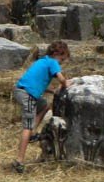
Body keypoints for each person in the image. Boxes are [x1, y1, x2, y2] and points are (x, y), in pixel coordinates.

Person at [12, 40, 71, 173]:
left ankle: (33, 132)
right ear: (56, 53)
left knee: (44, 104)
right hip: (27, 94)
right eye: (62, 58)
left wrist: (53, 90)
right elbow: (61, 79)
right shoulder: (52, 62)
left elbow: (39, 82)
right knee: (26, 126)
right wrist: (66, 83)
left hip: (23, 91)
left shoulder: (42, 61)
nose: (62, 62)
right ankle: (19, 160)